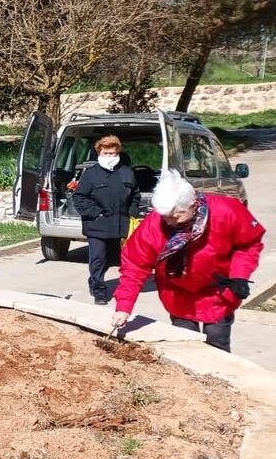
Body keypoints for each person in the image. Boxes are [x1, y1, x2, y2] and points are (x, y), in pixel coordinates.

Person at [112, 170, 264, 353]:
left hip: (217, 292)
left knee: (217, 344)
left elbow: (248, 244)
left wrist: (239, 275)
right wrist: (124, 306)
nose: (169, 222)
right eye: (165, 216)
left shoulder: (227, 210)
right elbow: (134, 266)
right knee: (185, 347)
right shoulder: (153, 225)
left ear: (193, 204)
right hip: (177, 294)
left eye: (175, 216)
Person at [71, 135, 140, 305]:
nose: (110, 156)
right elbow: (79, 197)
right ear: (99, 153)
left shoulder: (126, 172)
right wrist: (95, 213)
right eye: (106, 153)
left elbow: (135, 195)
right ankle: (99, 290)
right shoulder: (91, 174)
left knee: (112, 259)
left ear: (118, 153)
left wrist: (131, 212)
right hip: (97, 225)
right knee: (98, 258)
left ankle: (95, 280)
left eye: (112, 153)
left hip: (119, 225)